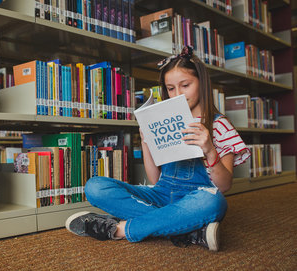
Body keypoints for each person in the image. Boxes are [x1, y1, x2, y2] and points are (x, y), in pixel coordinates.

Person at [65, 46, 251, 251]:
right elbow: (155, 180)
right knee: (95, 187)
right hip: (161, 195)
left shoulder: (219, 125)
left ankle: (120, 228)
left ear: (202, 83)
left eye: (185, 85)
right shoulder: (164, 118)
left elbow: (224, 186)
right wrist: (146, 141)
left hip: (197, 197)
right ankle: (187, 228)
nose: (177, 94)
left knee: (214, 202)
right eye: (171, 88)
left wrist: (209, 150)